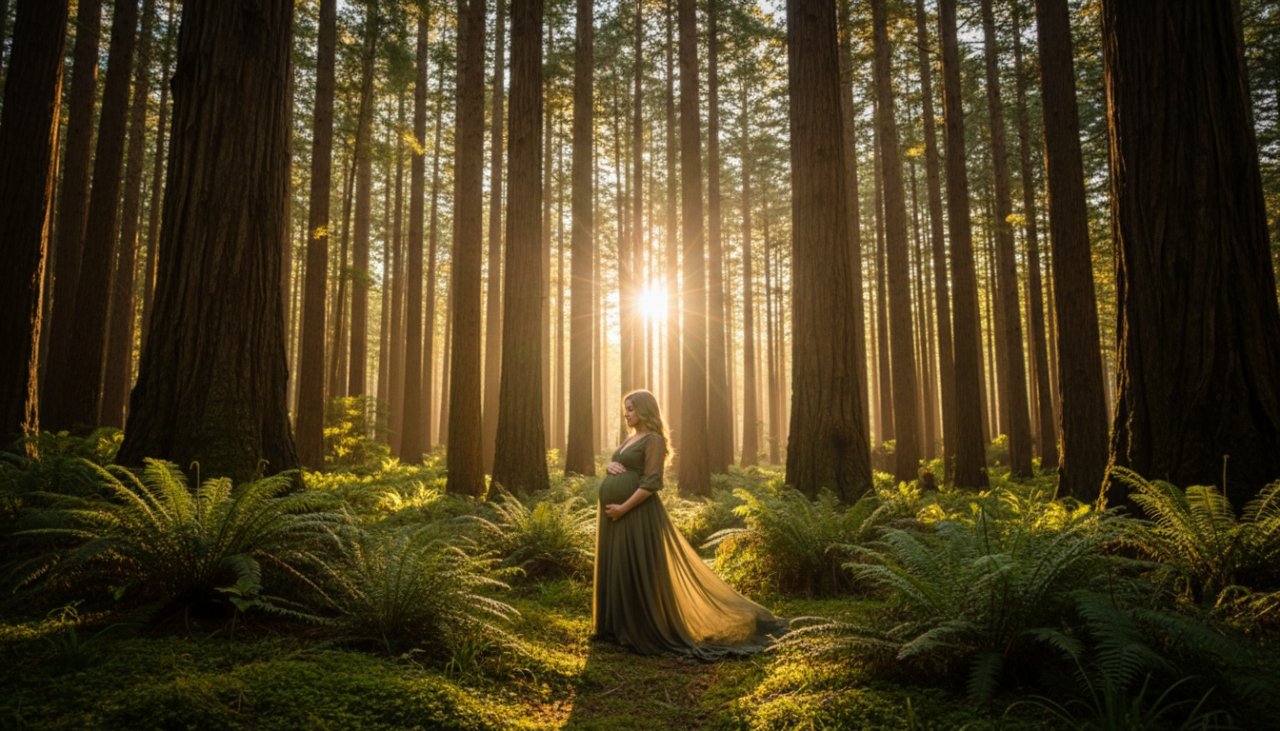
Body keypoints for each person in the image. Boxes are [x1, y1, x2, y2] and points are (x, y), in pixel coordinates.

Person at [591, 389, 785, 659]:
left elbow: (652, 482)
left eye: (632, 408)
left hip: (636, 515)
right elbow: (623, 465)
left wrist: (623, 508)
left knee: (634, 567)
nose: (627, 413)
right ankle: (615, 627)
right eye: (626, 408)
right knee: (618, 563)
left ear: (645, 410)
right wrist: (609, 467)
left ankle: (637, 628)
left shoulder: (653, 440)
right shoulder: (630, 438)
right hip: (615, 517)